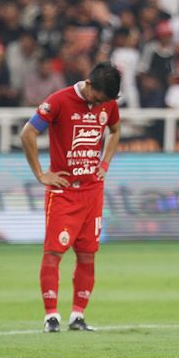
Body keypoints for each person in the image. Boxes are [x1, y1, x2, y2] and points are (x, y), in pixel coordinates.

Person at [21, 62, 121, 333]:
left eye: (103, 101)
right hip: (63, 192)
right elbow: (27, 132)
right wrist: (41, 174)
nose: (98, 104)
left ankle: (77, 316)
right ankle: (51, 316)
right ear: (88, 84)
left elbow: (115, 130)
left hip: (92, 192)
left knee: (88, 256)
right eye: (96, 98)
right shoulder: (58, 101)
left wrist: (105, 163)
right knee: (54, 253)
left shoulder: (108, 103)